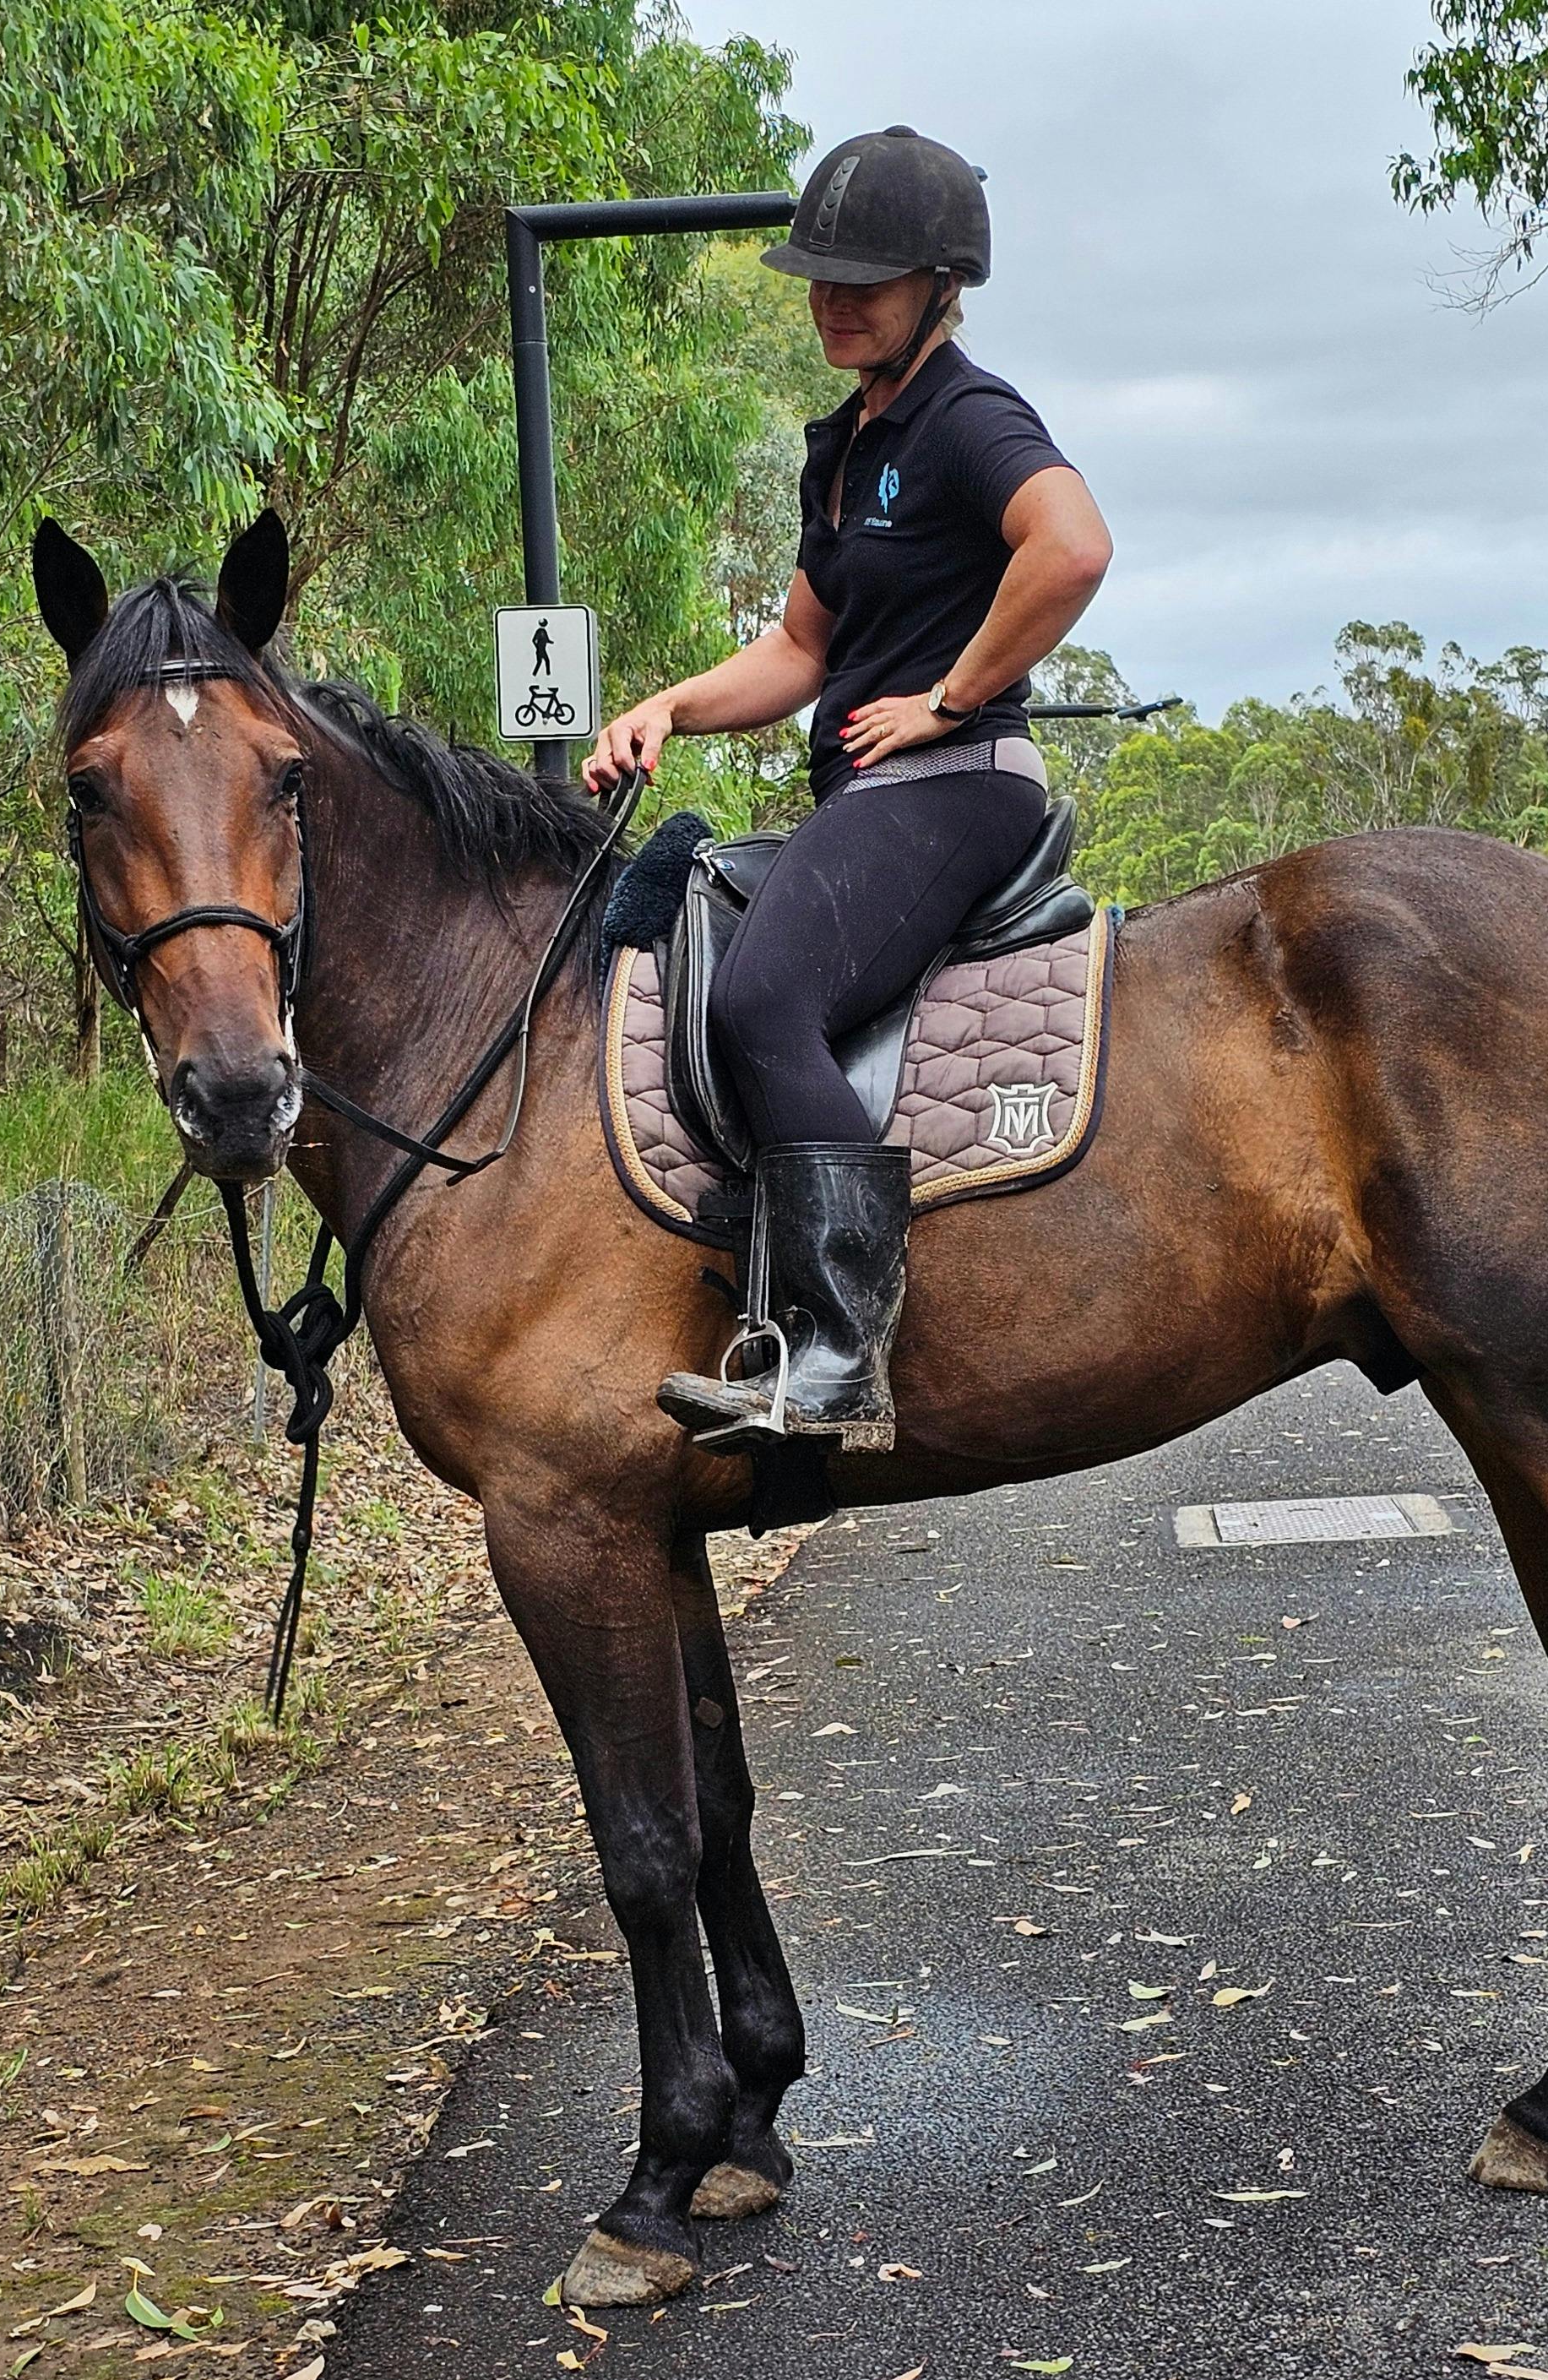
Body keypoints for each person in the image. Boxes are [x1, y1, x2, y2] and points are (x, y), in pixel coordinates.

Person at [585, 125, 1113, 1457]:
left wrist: (951, 695)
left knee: (766, 994)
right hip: (874, 797)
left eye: (863, 280)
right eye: (819, 275)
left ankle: (832, 1355)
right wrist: (665, 708)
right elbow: (800, 651)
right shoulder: (847, 445)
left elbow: (1074, 546)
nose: (833, 300)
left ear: (942, 284)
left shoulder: (964, 418)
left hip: (956, 782)